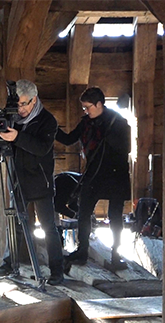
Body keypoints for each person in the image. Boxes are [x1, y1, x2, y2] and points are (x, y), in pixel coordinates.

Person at [0, 79, 64, 285]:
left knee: (48, 227)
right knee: (16, 224)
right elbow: (0, 130)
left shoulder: (48, 121)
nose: (20, 109)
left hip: (40, 181)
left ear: (34, 100)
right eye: (17, 104)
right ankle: (9, 264)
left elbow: (41, 148)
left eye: (24, 104)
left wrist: (17, 137)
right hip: (17, 178)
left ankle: (57, 271)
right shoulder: (12, 116)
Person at [55, 87, 131, 269]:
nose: (86, 111)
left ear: (99, 104)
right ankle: (82, 252)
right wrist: (52, 129)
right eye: (84, 108)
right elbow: (68, 140)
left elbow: (124, 149)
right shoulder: (86, 124)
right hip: (94, 173)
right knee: (83, 212)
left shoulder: (118, 123)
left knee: (115, 216)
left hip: (115, 174)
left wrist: (107, 135)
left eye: (88, 107)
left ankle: (116, 254)